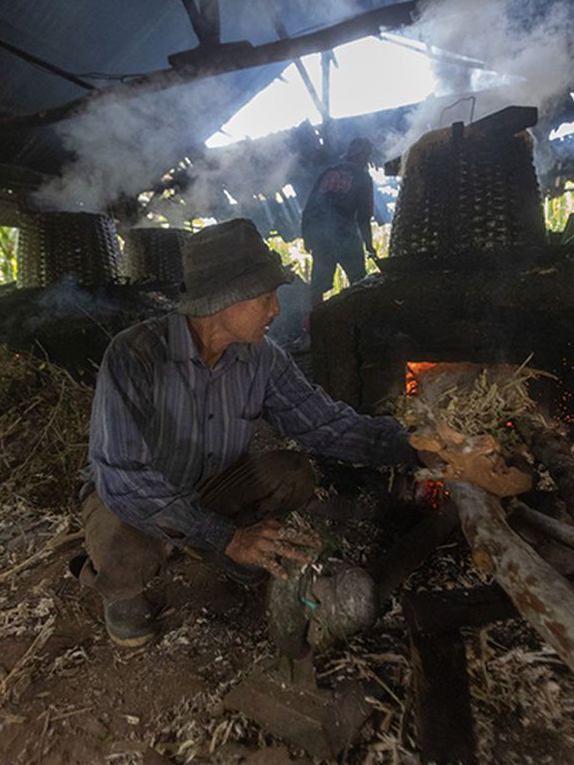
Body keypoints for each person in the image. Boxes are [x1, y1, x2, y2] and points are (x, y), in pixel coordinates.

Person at [80, 218, 417, 647]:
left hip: (209, 485)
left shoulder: (263, 359)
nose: (276, 309)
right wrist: (227, 535)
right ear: (225, 299)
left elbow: (324, 424)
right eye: (265, 297)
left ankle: (212, 545)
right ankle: (123, 589)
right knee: (128, 544)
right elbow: (122, 478)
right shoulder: (135, 355)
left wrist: (410, 444)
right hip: (136, 493)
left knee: (292, 471)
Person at [301, 138, 376, 300]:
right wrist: (369, 245)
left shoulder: (328, 173)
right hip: (346, 237)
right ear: (363, 156)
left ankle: (315, 320)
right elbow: (363, 218)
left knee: (317, 288)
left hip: (321, 239)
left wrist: (307, 238)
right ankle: (361, 317)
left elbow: (310, 207)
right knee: (360, 282)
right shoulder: (363, 178)